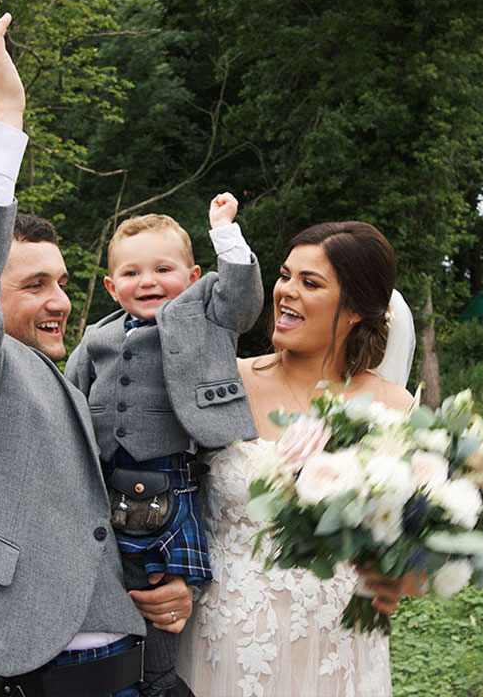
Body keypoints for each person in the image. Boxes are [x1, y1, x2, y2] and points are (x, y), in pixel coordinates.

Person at [0, 0, 192, 697]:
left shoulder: (66, 375)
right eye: (33, 286)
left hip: (114, 669)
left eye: (60, 282)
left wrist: (158, 586)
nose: (60, 301)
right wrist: (2, 120)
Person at [175, 221, 419, 697]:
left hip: (336, 648)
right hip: (223, 642)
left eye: (310, 283)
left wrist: (401, 579)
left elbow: (415, 547)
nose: (286, 292)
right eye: (286, 276)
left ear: (354, 310)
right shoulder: (223, 384)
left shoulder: (394, 409)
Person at [64, 200, 263, 697]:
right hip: (107, 487)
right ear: (111, 286)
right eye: (131, 272)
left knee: (162, 587)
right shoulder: (96, 337)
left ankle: (159, 683)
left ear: (194, 275)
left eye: (163, 269)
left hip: (172, 485)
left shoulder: (207, 317)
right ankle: (115, 675)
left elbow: (242, 297)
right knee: (117, 582)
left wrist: (225, 232)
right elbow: (68, 399)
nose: (148, 281)